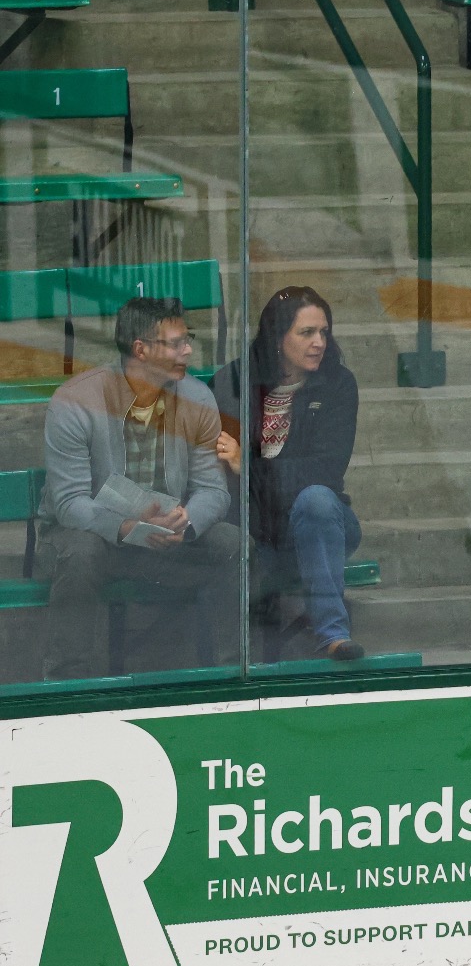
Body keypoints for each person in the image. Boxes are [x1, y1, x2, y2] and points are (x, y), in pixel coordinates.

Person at [39, 296, 240, 680]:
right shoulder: (76, 401)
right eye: (176, 343)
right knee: (81, 551)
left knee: (233, 543)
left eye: (188, 340)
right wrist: (126, 527)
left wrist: (186, 522)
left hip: (165, 537)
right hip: (92, 537)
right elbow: (69, 503)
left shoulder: (197, 398)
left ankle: (230, 675)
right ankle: (66, 684)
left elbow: (213, 491)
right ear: (141, 350)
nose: (188, 350)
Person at [212, 286, 364, 661]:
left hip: (319, 523)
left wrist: (250, 467)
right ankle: (237, 661)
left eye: (324, 332)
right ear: (277, 338)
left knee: (315, 498)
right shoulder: (233, 382)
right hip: (255, 525)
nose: (319, 342)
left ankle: (333, 634)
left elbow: (325, 470)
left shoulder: (338, 385)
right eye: (306, 332)